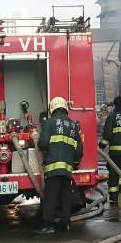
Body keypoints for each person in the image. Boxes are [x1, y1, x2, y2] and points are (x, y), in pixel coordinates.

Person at [37, 96, 83, 234]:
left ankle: (48, 225)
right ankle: (66, 224)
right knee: (65, 197)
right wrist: (74, 163)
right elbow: (79, 150)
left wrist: (41, 145)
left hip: (52, 169)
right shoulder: (73, 125)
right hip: (67, 170)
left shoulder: (49, 123)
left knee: (51, 197)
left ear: (52, 108)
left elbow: (43, 143)